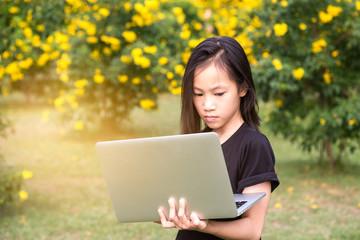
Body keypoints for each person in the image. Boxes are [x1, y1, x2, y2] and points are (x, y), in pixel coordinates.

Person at [157, 36, 280, 240]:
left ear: (242, 88)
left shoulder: (254, 146)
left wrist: (206, 226)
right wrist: (169, 213)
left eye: (219, 93)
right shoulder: (193, 144)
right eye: (198, 94)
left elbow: (252, 229)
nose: (207, 105)